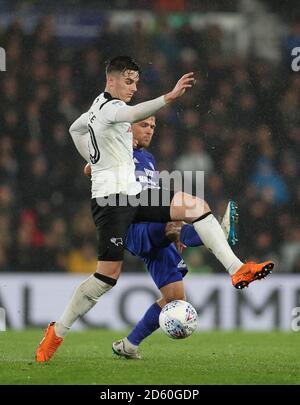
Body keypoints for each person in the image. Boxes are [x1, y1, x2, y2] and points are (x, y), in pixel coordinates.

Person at [35, 56, 273, 363]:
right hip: (112, 204)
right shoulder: (111, 109)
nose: (133, 87)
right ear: (112, 80)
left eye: (136, 82)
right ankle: (57, 332)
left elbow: (74, 129)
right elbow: (130, 113)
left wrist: (93, 158)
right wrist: (169, 97)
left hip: (134, 197)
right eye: (128, 81)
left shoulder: (101, 113)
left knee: (195, 206)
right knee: (105, 279)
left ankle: (237, 269)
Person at [108, 116, 238, 359]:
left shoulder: (148, 159)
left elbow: (154, 195)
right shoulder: (115, 150)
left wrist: (171, 226)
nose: (150, 131)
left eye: (153, 127)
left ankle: (129, 344)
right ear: (128, 127)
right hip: (133, 226)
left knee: (175, 298)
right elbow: (90, 168)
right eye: (144, 125)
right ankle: (212, 235)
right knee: (186, 212)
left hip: (155, 224)